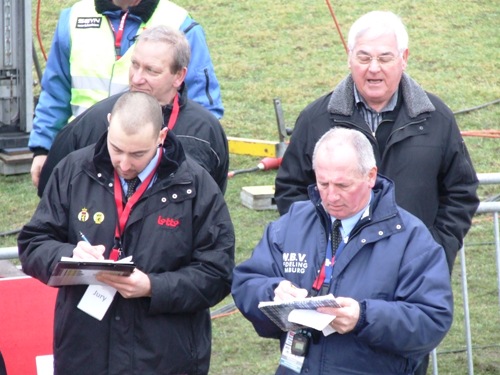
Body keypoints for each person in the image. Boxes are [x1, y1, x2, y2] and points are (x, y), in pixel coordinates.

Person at [18, 91, 235, 375]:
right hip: (84, 354)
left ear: (161, 136)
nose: (124, 163)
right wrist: (69, 255)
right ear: (108, 123)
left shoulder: (196, 187)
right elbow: (33, 243)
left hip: (164, 358)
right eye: (116, 149)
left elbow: (217, 273)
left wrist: (153, 287)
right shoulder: (73, 171)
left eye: (137, 154)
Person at [232, 127, 453, 374]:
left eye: (342, 185)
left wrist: (364, 318)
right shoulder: (293, 222)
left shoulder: (411, 237)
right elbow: (245, 283)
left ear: (370, 176)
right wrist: (273, 292)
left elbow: (432, 321)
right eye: (322, 183)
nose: (331, 196)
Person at [274, 11, 479, 275]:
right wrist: (319, 248)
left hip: (415, 272)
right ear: (349, 57)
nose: (373, 68)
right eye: (364, 57)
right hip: (337, 272)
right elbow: (291, 190)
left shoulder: (437, 119)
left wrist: (437, 249)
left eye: (384, 58)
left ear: (403, 59)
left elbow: (461, 191)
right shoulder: (316, 119)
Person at [29, 0, 223, 188]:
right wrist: (43, 148)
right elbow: (55, 91)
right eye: (134, 65)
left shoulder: (181, 23)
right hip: (85, 155)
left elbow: (200, 118)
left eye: (151, 70)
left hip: (158, 163)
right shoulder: (73, 18)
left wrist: (184, 163)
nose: (137, 79)